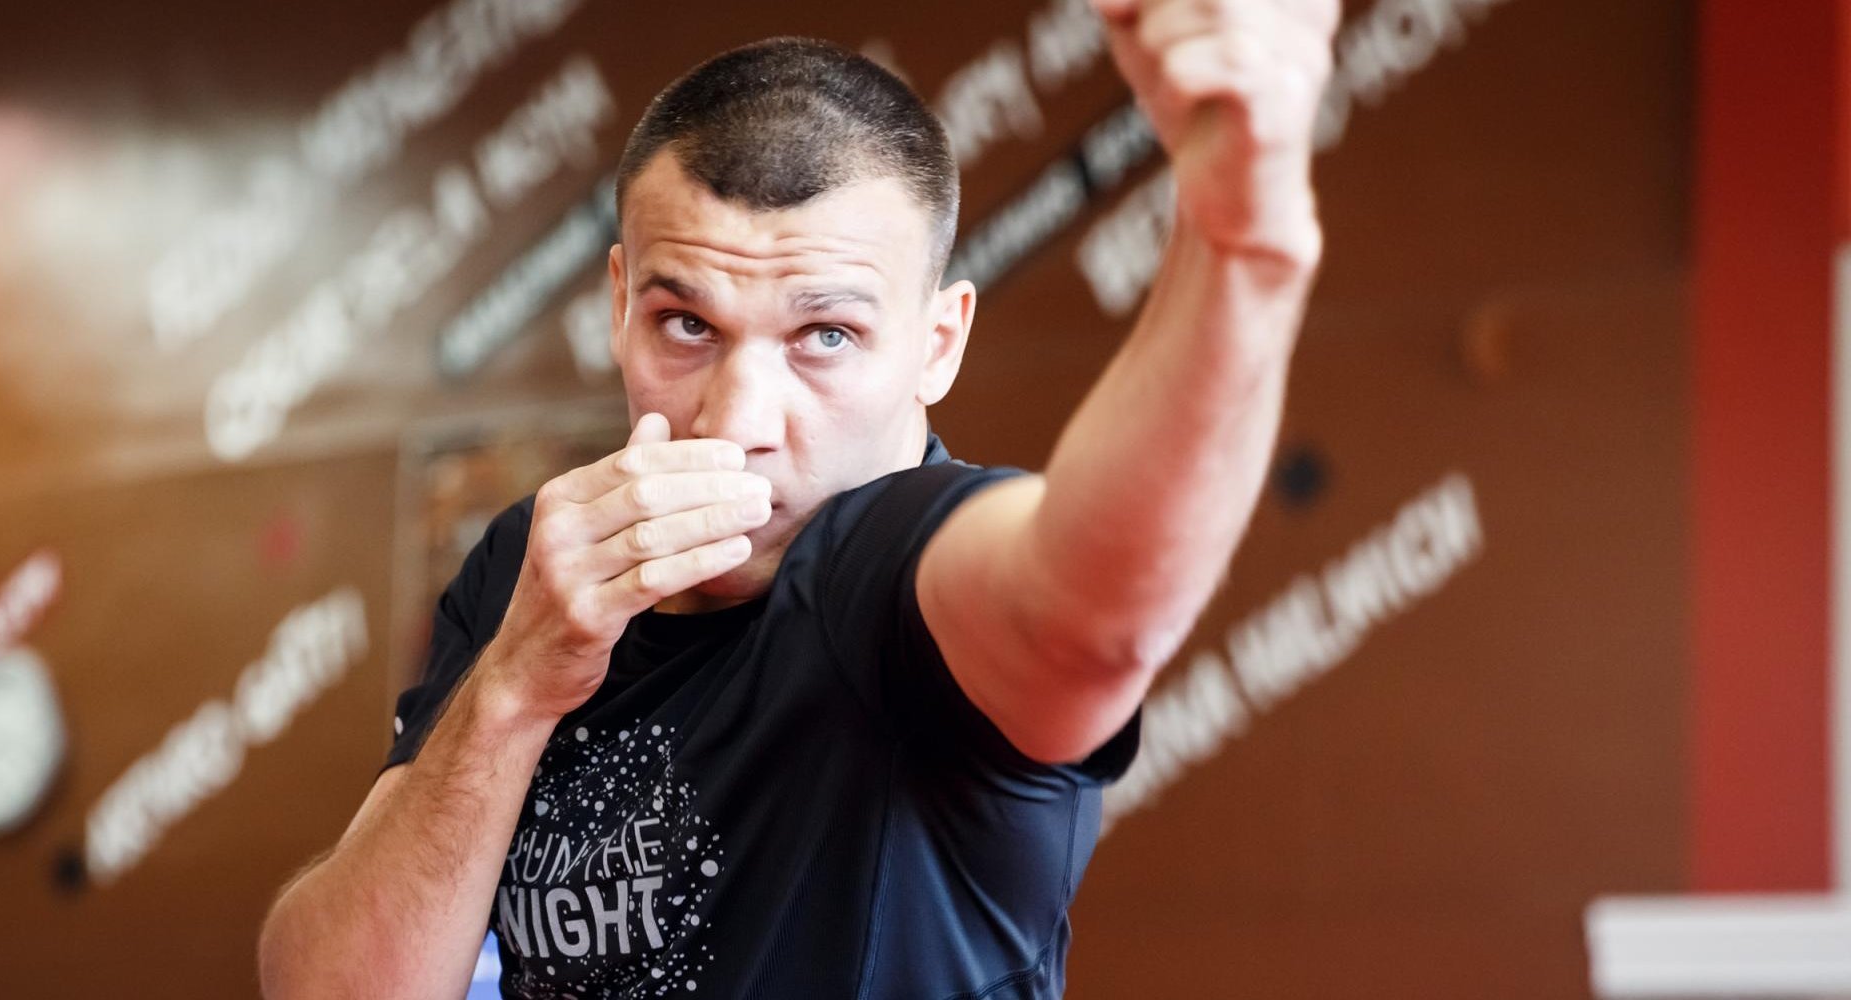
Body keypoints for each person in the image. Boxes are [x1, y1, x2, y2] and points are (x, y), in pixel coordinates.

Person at [259, 0, 1338, 996]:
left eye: (825, 335)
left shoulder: (888, 571)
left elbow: (1087, 611)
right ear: (619, 303)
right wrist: (510, 690)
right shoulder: (533, 562)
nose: (737, 420)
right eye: (687, 325)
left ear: (938, 343)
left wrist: (1240, 246)